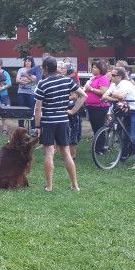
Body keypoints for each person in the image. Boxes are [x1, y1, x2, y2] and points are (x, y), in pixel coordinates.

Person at [33, 56, 86, 192]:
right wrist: (72, 111)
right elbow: (83, 95)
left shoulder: (42, 84)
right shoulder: (67, 80)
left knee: (49, 153)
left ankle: (49, 186)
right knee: (66, 153)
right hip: (63, 121)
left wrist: (37, 126)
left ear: (45, 68)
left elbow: (38, 108)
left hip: (48, 122)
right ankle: (75, 185)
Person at [103, 66, 135, 169]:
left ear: (120, 77)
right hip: (126, 111)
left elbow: (121, 96)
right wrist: (114, 97)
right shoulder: (113, 84)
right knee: (124, 136)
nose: (111, 77)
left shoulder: (125, 84)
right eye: (111, 75)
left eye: (113, 75)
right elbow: (104, 96)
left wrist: (111, 94)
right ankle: (122, 157)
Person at [58, 60, 84, 159]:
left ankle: (72, 155)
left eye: (63, 68)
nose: (61, 70)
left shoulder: (72, 80)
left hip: (73, 108)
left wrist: (61, 97)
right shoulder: (65, 79)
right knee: (66, 130)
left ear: (68, 70)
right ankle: (66, 153)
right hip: (66, 107)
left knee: (73, 131)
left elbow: (74, 96)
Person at [84, 60, 112, 152]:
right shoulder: (93, 79)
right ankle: (97, 147)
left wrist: (91, 89)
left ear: (101, 69)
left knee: (99, 127)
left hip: (100, 107)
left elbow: (104, 92)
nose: (93, 69)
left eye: (95, 67)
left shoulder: (103, 78)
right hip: (91, 106)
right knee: (95, 127)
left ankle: (101, 148)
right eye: (93, 67)